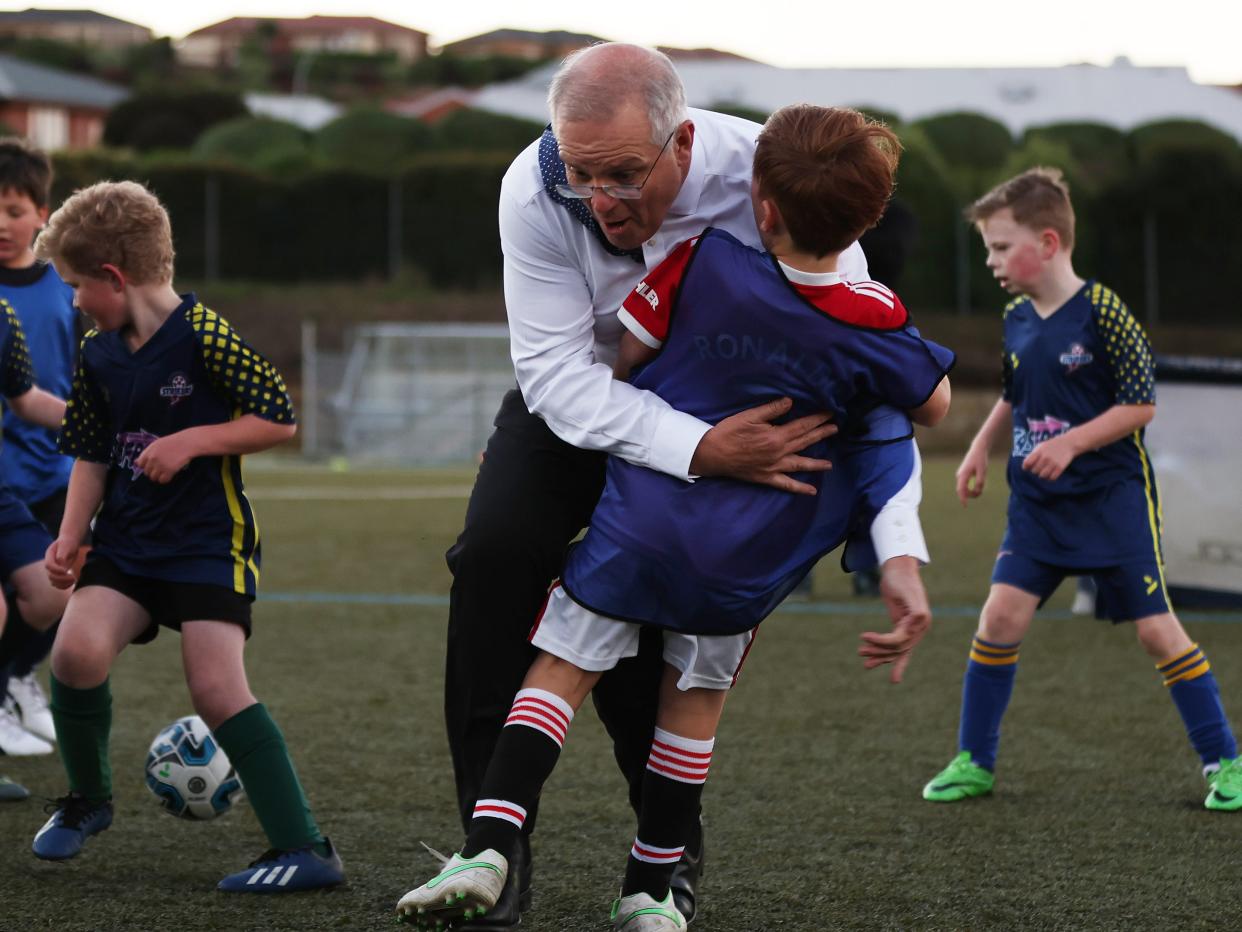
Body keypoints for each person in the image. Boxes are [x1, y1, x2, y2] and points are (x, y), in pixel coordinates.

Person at [402, 106, 953, 930]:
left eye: (622, 173)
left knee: (559, 667)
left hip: (644, 519)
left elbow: (630, 356)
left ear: (738, 189)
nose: (600, 196)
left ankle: (489, 846)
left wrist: (694, 390)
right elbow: (922, 409)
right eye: (582, 176)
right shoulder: (876, 318)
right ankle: (651, 894)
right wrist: (898, 556)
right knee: (682, 701)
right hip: (748, 545)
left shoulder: (698, 260)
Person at [28, 180, 346, 890]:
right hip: (127, 540)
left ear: (114, 277)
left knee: (214, 687)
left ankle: (305, 849)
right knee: (76, 653)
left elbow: (277, 418)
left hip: (208, 540)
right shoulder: (98, 351)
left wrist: (194, 441)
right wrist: (73, 535)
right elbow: (88, 448)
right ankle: (87, 802)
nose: (75, 300)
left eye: (79, 285)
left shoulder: (205, 335)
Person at [922, 167, 1241, 809]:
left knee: (1157, 632)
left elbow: (1140, 406)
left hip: (1110, 500)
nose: (991, 260)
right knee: (1000, 618)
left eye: (1001, 246)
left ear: (1048, 242)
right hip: (1038, 510)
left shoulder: (1105, 312)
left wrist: (1070, 442)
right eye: (986, 248)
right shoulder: (1015, 318)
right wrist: (981, 447)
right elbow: (1014, 392)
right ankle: (974, 761)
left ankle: (1225, 762)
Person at [0, 137, 78, 764]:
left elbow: (34, 393)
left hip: (55, 466)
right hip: (4, 473)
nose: (3, 223)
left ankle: (19, 678)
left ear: (42, 213)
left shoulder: (63, 283)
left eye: (14, 208)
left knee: (59, 584)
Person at [0, 288, 69, 798]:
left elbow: (24, 398)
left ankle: (11, 686)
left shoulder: (2, 318)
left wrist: (93, 425)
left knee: (51, 586)